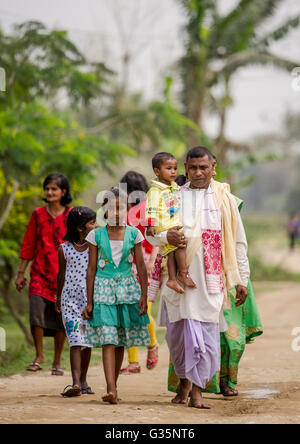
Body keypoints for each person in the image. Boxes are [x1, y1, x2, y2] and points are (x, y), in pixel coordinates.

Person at [147, 146, 250, 409]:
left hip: (210, 279)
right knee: (179, 337)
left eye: (203, 167)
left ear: (214, 166)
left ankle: (197, 393)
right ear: (185, 168)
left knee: (205, 335)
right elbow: (152, 234)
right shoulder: (172, 196)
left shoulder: (224, 199)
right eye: (192, 168)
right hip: (179, 281)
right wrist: (164, 237)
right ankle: (184, 384)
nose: (198, 172)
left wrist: (242, 279)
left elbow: (238, 241)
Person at [83, 187, 150, 405]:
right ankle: (110, 388)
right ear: (104, 210)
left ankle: (115, 386)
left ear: (128, 210)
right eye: (111, 208)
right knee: (108, 340)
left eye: (121, 208)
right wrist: (89, 300)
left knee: (120, 340)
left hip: (128, 291)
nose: (116, 212)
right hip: (103, 291)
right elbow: (91, 269)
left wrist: (144, 295)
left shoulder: (134, 234)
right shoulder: (96, 235)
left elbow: (141, 266)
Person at [16, 173, 73, 374]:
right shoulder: (37, 214)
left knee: (60, 319)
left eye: (54, 189)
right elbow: (28, 244)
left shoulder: (72, 215)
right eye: (47, 188)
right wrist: (21, 273)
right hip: (39, 272)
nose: (49, 192)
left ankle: (57, 362)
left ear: (63, 192)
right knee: (35, 312)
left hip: (65, 275)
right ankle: (39, 355)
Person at [119, 171, 160, 374]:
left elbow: (156, 237)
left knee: (143, 311)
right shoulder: (130, 209)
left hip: (145, 265)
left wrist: (152, 261)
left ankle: (152, 345)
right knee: (129, 313)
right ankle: (133, 361)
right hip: (131, 265)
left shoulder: (145, 209)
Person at [55, 207, 97, 397]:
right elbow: (61, 275)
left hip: (89, 300)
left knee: (87, 342)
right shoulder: (64, 249)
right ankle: (75, 383)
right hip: (69, 301)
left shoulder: (95, 247)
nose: (96, 226)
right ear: (81, 228)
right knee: (75, 341)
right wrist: (58, 298)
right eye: (92, 223)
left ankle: (84, 380)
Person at [146, 152, 196, 295]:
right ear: (157, 171)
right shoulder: (155, 190)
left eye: (175, 168)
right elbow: (151, 208)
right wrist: (150, 225)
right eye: (168, 168)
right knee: (180, 245)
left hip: (173, 221)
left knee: (172, 252)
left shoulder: (174, 186)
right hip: (164, 225)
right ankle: (183, 273)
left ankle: (173, 279)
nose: (173, 171)